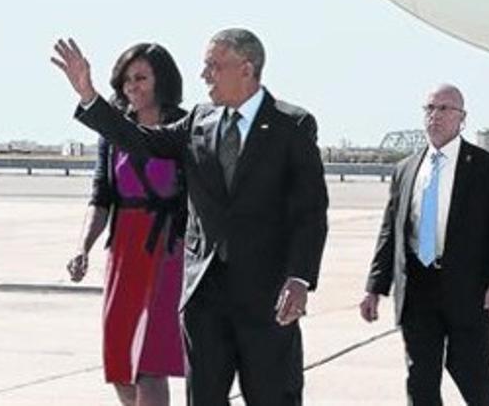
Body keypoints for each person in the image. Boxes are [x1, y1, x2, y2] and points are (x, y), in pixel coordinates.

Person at [53, 29, 329, 405]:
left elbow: (309, 213)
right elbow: (141, 140)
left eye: (214, 66)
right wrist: (89, 96)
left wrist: (299, 278)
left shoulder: (292, 125)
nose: (205, 76)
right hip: (205, 298)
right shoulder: (200, 120)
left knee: (272, 396)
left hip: (267, 297)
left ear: (246, 69)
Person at [360, 84, 489, 405]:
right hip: (417, 289)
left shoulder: (488, 167)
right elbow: (390, 231)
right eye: (429, 108)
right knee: (420, 378)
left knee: (472, 373)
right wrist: (375, 287)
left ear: (462, 118)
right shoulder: (406, 169)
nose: (435, 115)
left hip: (469, 290)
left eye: (444, 109)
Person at [66, 43, 187, 406]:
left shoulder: (184, 125)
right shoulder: (113, 133)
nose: (132, 86)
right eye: (126, 80)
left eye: (141, 78)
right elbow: (101, 198)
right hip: (124, 253)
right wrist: (82, 247)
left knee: (150, 363)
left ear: (160, 81)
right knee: (120, 363)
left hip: (169, 251)